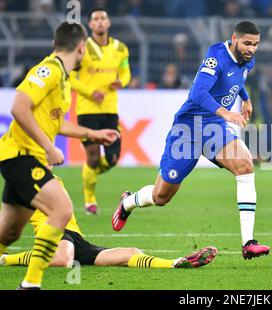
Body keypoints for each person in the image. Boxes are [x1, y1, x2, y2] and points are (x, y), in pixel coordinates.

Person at [112, 21, 270, 260]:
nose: (252, 49)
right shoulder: (216, 57)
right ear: (234, 38)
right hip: (188, 129)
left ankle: (248, 242)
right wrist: (226, 113)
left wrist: (245, 99)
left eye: (256, 44)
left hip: (214, 128)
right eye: (247, 43)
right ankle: (127, 203)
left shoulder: (248, 59)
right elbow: (197, 93)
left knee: (245, 166)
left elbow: (237, 80)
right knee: (161, 197)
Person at [0, 22, 119, 290]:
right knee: (62, 209)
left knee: (8, 232)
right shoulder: (49, 70)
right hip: (20, 154)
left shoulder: (62, 78)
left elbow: (57, 122)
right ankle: (30, 284)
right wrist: (49, 146)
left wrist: (92, 133)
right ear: (81, 48)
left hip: (25, 157)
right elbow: (19, 107)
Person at [1, 206, 217, 270]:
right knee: (63, 260)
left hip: (78, 239)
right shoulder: (25, 185)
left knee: (131, 253)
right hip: (55, 233)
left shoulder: (52, 181)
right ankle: (5, 259)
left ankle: (174, 263)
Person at [70, 7, 131, 215]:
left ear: (109, 22)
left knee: (113, 159)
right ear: (90, 25)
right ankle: (89, 199)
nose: (99, 22)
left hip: (110, 109)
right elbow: (69, 78)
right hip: (87, 110)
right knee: (93, 156)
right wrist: (89, 91)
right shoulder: (81, 48)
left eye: (103, 18)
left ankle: (90, 176)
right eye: (95, 19)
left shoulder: (120, 48)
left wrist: (121, 81)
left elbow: (126, 71)